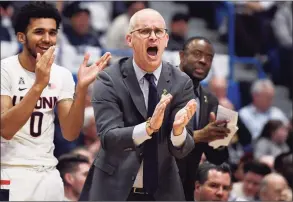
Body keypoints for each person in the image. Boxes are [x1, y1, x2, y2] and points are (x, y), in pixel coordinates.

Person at [79, 8, 197, 201]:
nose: (153, 37)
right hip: (114, 187)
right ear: (129, 40)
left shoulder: (181, 82)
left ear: (166, 39)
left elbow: (183, 148)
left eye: (158, 32)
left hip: (163, 190)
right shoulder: (109, 79)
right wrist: (149, 128)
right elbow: (109, 138)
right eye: (144, 31)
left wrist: (178, 131)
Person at [0, 2, 111, 201]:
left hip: (49, 173)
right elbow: (6, 129)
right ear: (21, 37)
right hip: (11, 169)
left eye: (52, 33)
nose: (47, 39)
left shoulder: (62, 75)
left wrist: (82, 88)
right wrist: (39, 85)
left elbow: (70, 133)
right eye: (39, 32)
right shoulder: (5, 70)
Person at [176, 36, 230, 201]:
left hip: (186, 187)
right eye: (197, 54)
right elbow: (156, 139)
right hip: (155, 183)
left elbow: (216, 159)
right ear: (181, 56)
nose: (203, 61)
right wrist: (201, 135)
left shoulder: (210, 100)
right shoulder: (160, 90)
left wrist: (219, 141)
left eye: (209, 58)